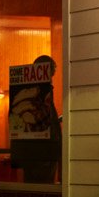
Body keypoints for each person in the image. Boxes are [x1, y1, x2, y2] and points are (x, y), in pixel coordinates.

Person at [9, 54, 61, 184]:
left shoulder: (31, 98)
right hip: (42, 154)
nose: (51, 80)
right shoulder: (37, 98)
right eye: (51, 75)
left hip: (41, 154)